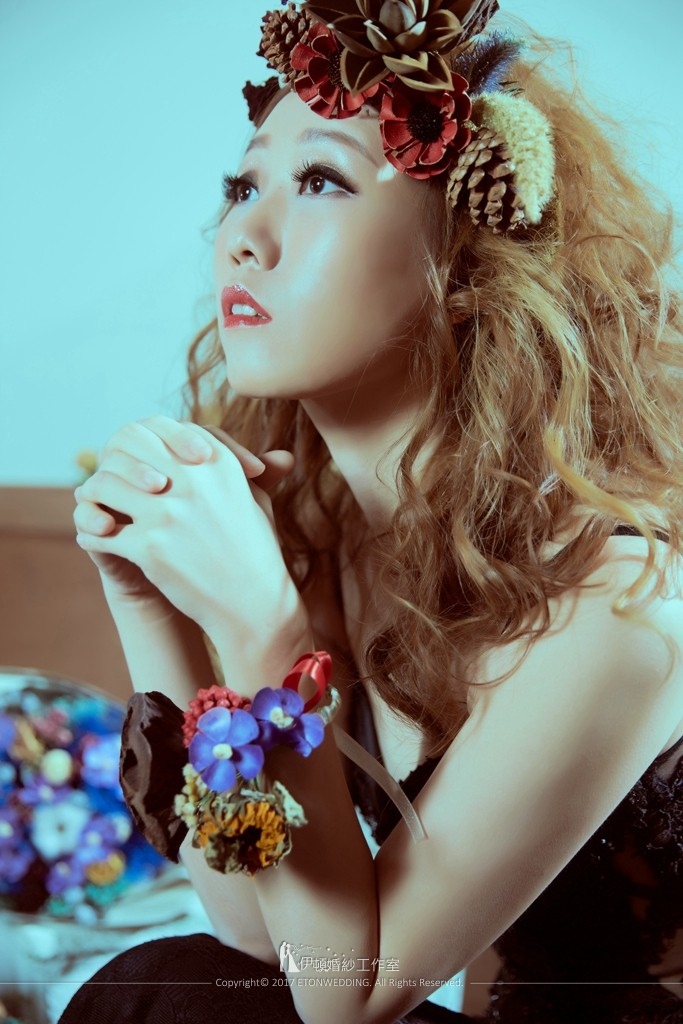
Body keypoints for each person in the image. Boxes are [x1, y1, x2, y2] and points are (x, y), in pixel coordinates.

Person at [63, 1, 682, 1021]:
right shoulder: (344, 540)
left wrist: (266, 633)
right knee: (176, 982)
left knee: (159, 995)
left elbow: (345, 1003)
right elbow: (254, 931)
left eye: (319, 180)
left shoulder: (621, 602)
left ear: (462, 262)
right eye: (242, 186)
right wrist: (149, 602)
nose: (243, 238)